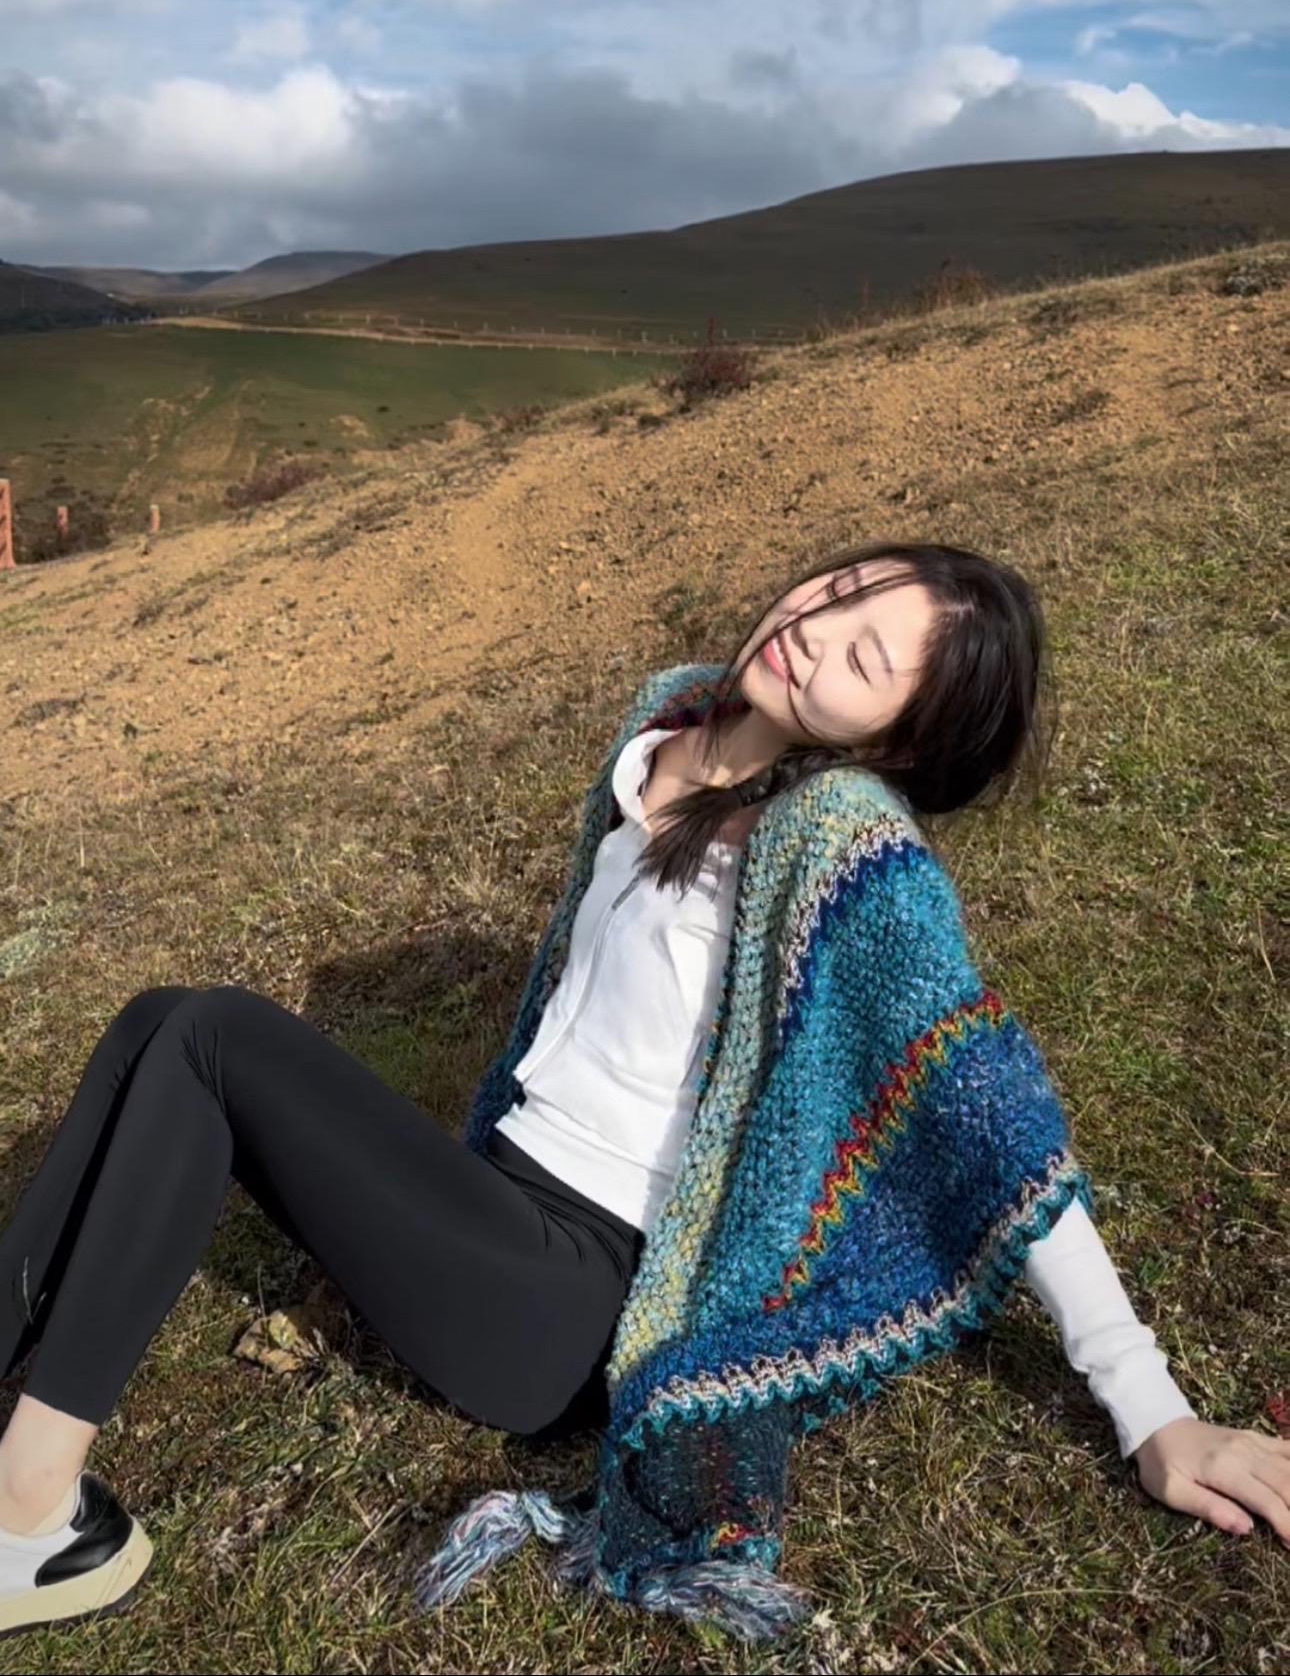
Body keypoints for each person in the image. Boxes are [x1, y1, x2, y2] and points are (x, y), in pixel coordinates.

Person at [1, 543, 1286, 1641]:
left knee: (211, 1036)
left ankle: (37, 1521)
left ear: (897, 739)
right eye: (841, 592)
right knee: (158, 1018)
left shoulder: (845, 843)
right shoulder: (669, 719)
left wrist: (1155, 1411)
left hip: (574, 1300)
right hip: (493, 1204)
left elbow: (994, 1123)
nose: (815, 629)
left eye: (862, 657)